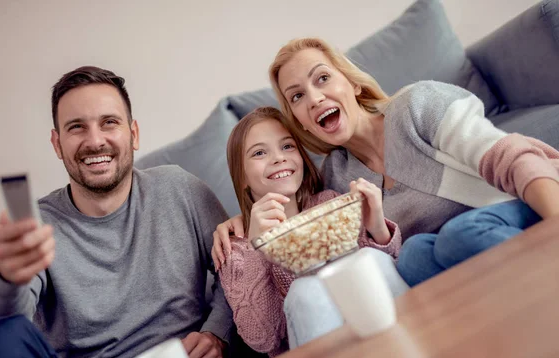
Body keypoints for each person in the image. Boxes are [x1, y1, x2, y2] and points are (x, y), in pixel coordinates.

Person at [0, 66, 234, 358]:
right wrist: (4, 274)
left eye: (109, 122)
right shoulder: (39, 227)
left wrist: (217, 334)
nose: (94, 141)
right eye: (76, 127)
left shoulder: (179, 188)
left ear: (133, 133)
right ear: (57, 143)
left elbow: (239, 269)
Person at [213, 37, 559, 288]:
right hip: (456, 260)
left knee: (457, 234)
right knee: (412, 258)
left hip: (517, 207)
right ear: (300, 121)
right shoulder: (336, 175)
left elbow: (509, 157)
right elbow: (299, 207)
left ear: (351, 83)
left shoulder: (417, 105)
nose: (315, 98)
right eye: (298, 96)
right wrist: (244, 218)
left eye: (322, 78)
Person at [216, 106, 408, 357]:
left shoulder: (328, 203)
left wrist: (376, 227)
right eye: (260, 152)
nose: (278, 158)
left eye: (287, 146)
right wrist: (256, 248)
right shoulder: (236, 251)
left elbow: (385, 268)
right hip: (310, 353)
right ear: (241, 177)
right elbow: (262, 339)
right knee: (306, 291)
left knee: (372, 260)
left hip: (366, 323)